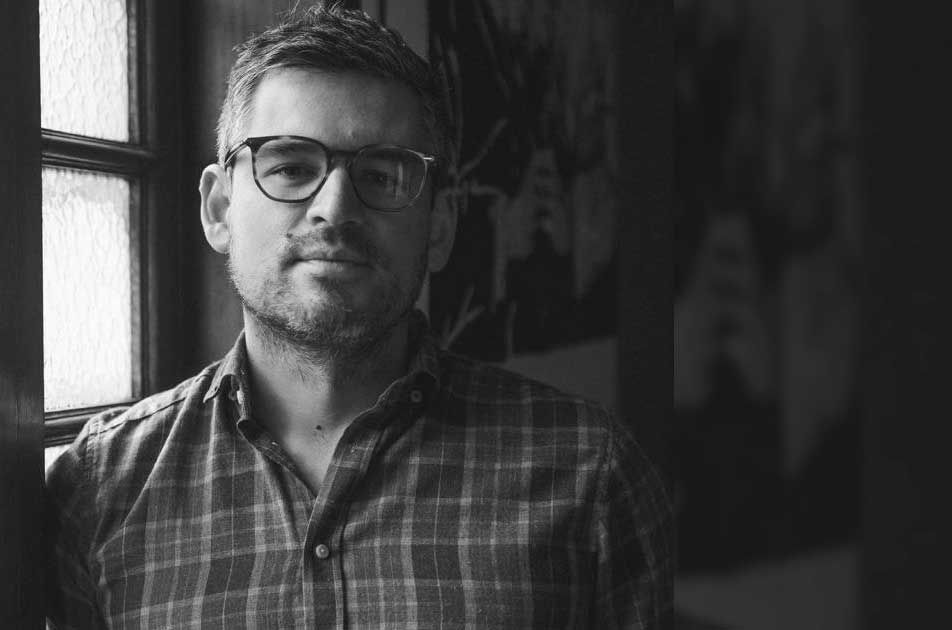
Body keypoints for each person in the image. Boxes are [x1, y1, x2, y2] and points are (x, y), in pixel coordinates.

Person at [46, 5, 673, 628]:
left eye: (381, 175)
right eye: (291, 167)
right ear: (219, 209)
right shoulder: (101, 489)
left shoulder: (591, 473)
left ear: (440, 227)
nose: (336, 208)